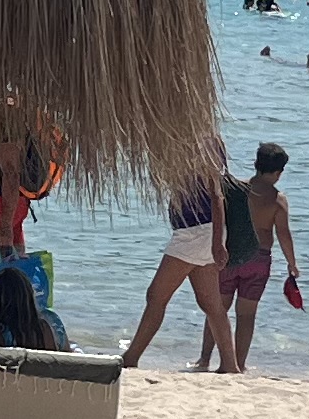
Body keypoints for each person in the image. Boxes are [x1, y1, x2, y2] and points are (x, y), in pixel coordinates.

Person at [119, 145, 233, 370]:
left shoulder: (204, 143)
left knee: (156, 295)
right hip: (199, 230)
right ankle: (230, 365)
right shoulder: (185, 140)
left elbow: (217, 195)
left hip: (197, 232)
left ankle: (132, 357)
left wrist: (217, 242)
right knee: (210, 303)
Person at [193, 142, 299, 372]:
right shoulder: (278, 200)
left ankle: (204, 360)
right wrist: (292, 263)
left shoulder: (236, 189)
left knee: (217, 310)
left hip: (231, 257)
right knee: (247, 315)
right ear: (279, 172)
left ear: (255, 164)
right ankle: (238, 364)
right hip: (259, 261)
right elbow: (283, 234)